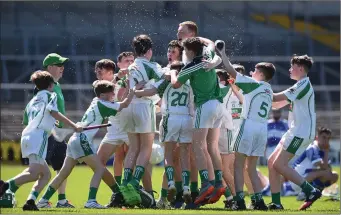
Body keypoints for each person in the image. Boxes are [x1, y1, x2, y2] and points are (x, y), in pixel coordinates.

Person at [37, 80, 134, 209]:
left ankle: (43, 201)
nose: (113, 95)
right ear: (103, 94)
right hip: (82, 140)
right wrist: (132, 91)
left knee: (63, 173)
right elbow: (124, 105)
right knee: (99, 168)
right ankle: (91, 201)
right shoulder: (103, 104)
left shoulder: (96, 100)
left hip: (74, 139)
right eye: (111, 92)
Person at [0, 70, 82, 211]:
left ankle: (30, 201)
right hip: (39, 137)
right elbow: (54, 112)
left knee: (45, 174)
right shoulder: (52, 95)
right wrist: (74, 126)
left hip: (27, 135)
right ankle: (6, 185)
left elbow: (27, 119)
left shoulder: (32, 100)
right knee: (34, 173)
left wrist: (50, 122)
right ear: (51, 85)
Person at [217, 39, 275, 210]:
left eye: (255, 70)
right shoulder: (268, 89)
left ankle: (240, 200)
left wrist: (222, 54)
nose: (252, 72)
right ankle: (259, 201)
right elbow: (246, 98)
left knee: (238, 165)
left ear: (262, 74)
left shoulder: (253, 84)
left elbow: (229, 70)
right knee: (252, 168)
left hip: (248, 125)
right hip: (262, 129)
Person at [170, 37, 226, 205]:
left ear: (191, 51)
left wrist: (173, 72)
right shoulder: (208, 54)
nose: (184, 53)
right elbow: (210, 43)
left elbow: (176, 84)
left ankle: (206, 183)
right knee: (212, 147)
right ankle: (218, 182)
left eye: (185, 50)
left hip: (205, 106)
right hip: (219, 106)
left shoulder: (191, 65)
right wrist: (196, 38)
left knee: (197, 144)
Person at [268, 54, 319, 210]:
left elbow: (275, 98)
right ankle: (276, 203)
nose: (290, 69)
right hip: (294, 131)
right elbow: (276, 105)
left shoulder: (302, 85)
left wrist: (259, 86)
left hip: (301, 133)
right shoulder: (300, 86)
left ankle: (311, 191)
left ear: (301, 68)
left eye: (292, 67)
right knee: (271, 163)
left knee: (279, 164)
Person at [119, 34, 165, 207]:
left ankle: (125, 183)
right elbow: (165, 79)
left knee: (133, 149)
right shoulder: (152, 65)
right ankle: (134, 182)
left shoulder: (132, 66)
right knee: (146, 147)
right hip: (144, 106)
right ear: (150, 50)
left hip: (129, 105)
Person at [40, 53, 75, 208]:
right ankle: (10, 189)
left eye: (63, 65)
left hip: (57, 134)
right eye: (59, 65)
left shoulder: (57, 86)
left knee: (63, 166)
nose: (62, 68)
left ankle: (61, 200)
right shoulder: (42, 88)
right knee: (37, 170)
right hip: (46, 133)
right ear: (49, 68)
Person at [286, 127, 338, 199]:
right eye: (324, 137)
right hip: (296, 180)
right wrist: (326, 151)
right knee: (324, 173)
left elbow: (328, 168)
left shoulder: (322, 149)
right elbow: (324, 167)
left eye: (328, 138)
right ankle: (304, 192)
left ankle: (314, 192)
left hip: (306, 177)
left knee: (334, 175)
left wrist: (326, 152)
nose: (326, 141)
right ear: (317, 137)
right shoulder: (313, 148)